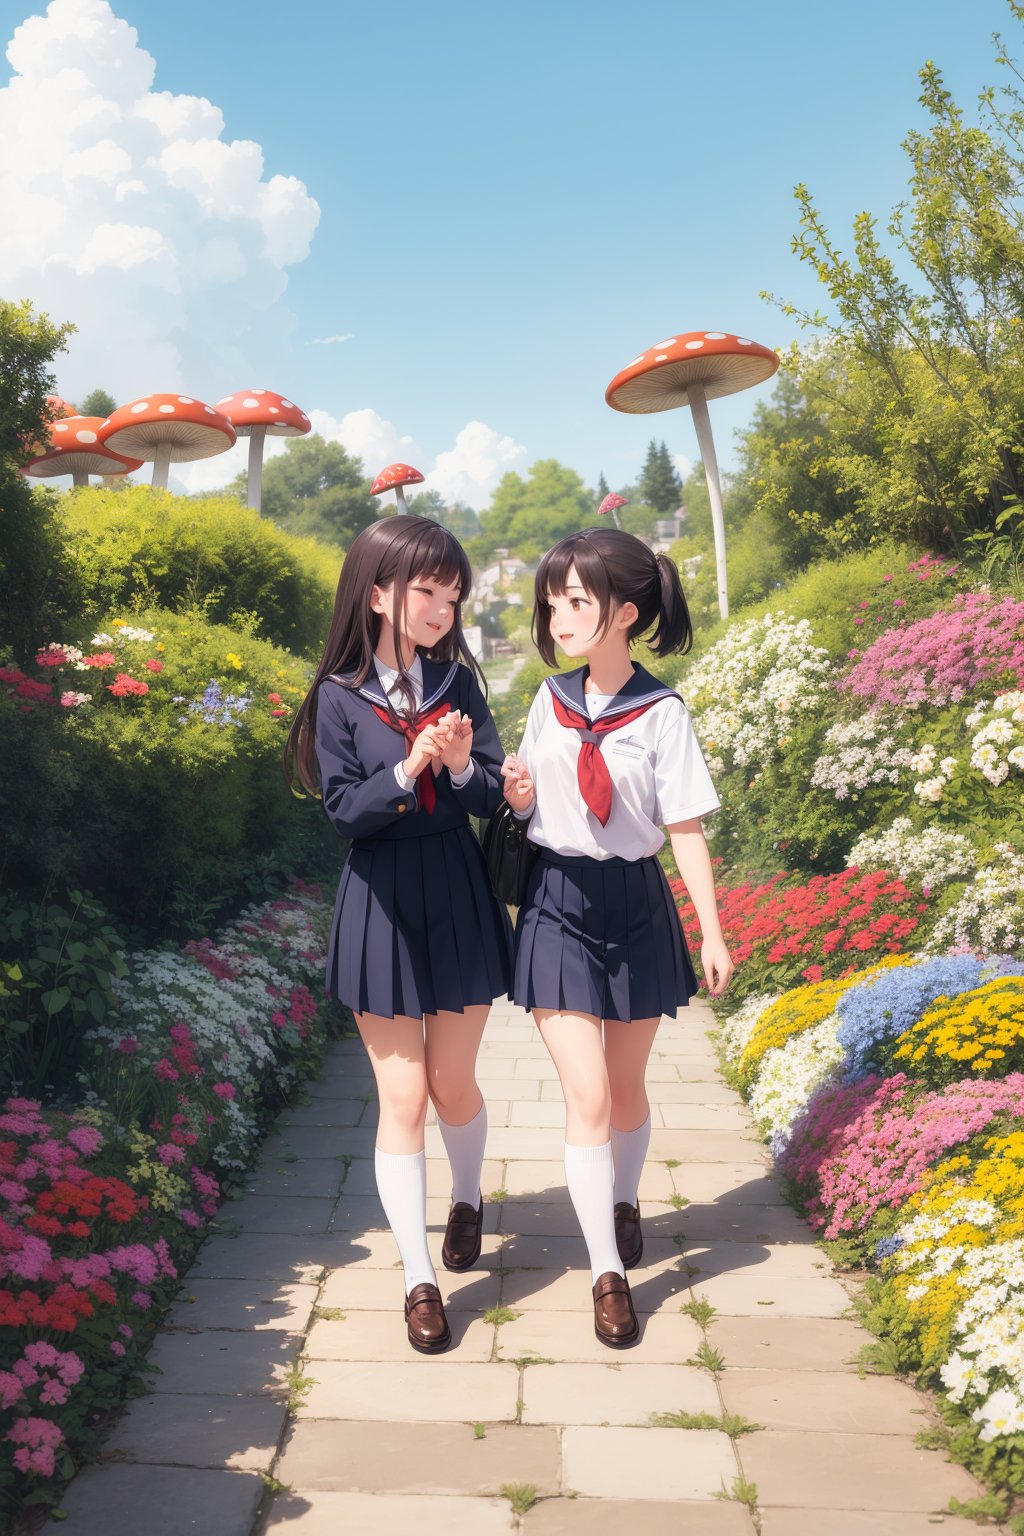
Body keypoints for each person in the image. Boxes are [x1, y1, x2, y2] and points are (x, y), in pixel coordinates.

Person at [286, 516, 513, 1355]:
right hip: (380, 900)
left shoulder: (458, 682)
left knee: (454, 1085)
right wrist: (410, 766)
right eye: (429, 592)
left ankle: (466, 1198)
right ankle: (418, 1278)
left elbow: (491, 794)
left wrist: (457, 764)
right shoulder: (339, 695)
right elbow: (346, 812)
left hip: (454, 887)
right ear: (379, 593)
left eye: (453, 596)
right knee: (405, 1097)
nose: (443, 609)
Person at [501, 527, 732, 1347]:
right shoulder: (547, 701)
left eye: (576, 600)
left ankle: (624, 1199)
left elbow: (685, 828)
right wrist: (522, 795)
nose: (558, 615)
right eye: (552, 599)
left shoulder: (662, 713)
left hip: (635, 902)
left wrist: (712, 932)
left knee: (628, 1091)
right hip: (558, 899)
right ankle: (609, 1271)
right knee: (589, 1095)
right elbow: (527, 812)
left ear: (625, 612)